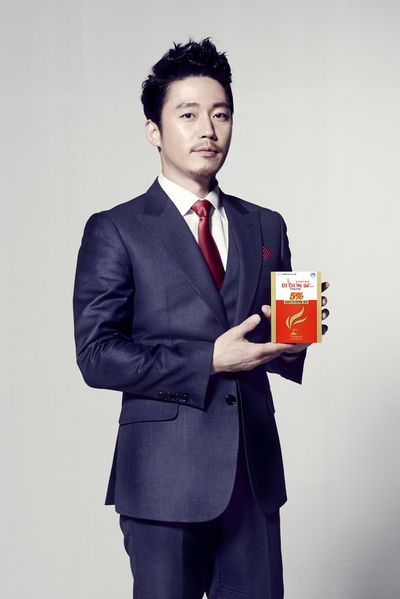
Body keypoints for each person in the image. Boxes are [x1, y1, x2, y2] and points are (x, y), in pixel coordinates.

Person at [73, 38, 329, 599]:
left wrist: (294, 340)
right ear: (154, 130)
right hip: (162, 481)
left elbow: (268, 338)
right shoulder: (116, 229)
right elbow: (96, 355)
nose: (208, 130)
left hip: (252, 478)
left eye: (221, 114)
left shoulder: (266, 225)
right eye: (188, 115)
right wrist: (208, 359)